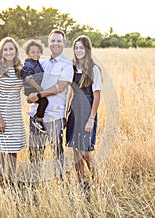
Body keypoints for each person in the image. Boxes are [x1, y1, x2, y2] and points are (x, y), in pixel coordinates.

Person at [27, 29, 74, 180]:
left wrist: (39, 95)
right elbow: (30, 81)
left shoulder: (67, 64)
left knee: (57, 152)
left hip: (55, 115)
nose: (55, 43)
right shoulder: (41, 62)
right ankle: (34, 187)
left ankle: (60, 186)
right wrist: (30, 93)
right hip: (36, 115)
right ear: (48, 43)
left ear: (64, 43)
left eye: (59, 41)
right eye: (53, 40)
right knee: (35, 153)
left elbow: (60, 87)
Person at [0, 37, 26, 184]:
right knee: (1, 149)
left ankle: (12, 177)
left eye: (11, 49)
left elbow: (29, 87)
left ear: (16, 51)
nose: (8, 52)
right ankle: (2, 179)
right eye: (5, 49)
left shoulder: (20, 69)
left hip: (15, 113)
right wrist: (0, 119)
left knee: (13, 148)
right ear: (1, 52)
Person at [66, 35, 102, 197]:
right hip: (74, 111)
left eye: (81, 48)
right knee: (75, 150)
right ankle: (81, 184)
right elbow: (70, 91)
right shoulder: (73, 68)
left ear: (87, 50)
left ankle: (98, 181)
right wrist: (66, 111)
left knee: (85, 151)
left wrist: (91, 119)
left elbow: (97, 96)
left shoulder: (94, 69)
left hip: (87, 112)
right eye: (76, 48)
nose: (78, 51)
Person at [21, 39, 48, 133]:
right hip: (31, 88)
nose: (35, 54)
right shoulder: (28, 64)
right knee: (44, 101)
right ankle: (38, 119)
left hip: (34, 88)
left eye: (38, 52)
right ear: (27, 53)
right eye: (32, 52)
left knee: (42, 101)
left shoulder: (37, 62)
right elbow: (28, 79)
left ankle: (38, 118)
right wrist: (38, 88)